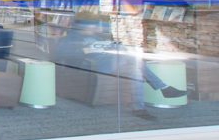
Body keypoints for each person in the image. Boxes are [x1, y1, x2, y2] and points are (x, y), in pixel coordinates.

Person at [54, 21, 186, 120]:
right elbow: (59, 55)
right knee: (130, 58)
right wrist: (82, 51)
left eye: (93, 27)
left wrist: (110, 48)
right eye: (90, 27)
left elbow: (102, 48)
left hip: (105, 61)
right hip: (89, 65)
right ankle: (163, 88)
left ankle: (139, 108)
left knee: (134, 70)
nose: (93, 29)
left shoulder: (95, 36)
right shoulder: (71, 37)